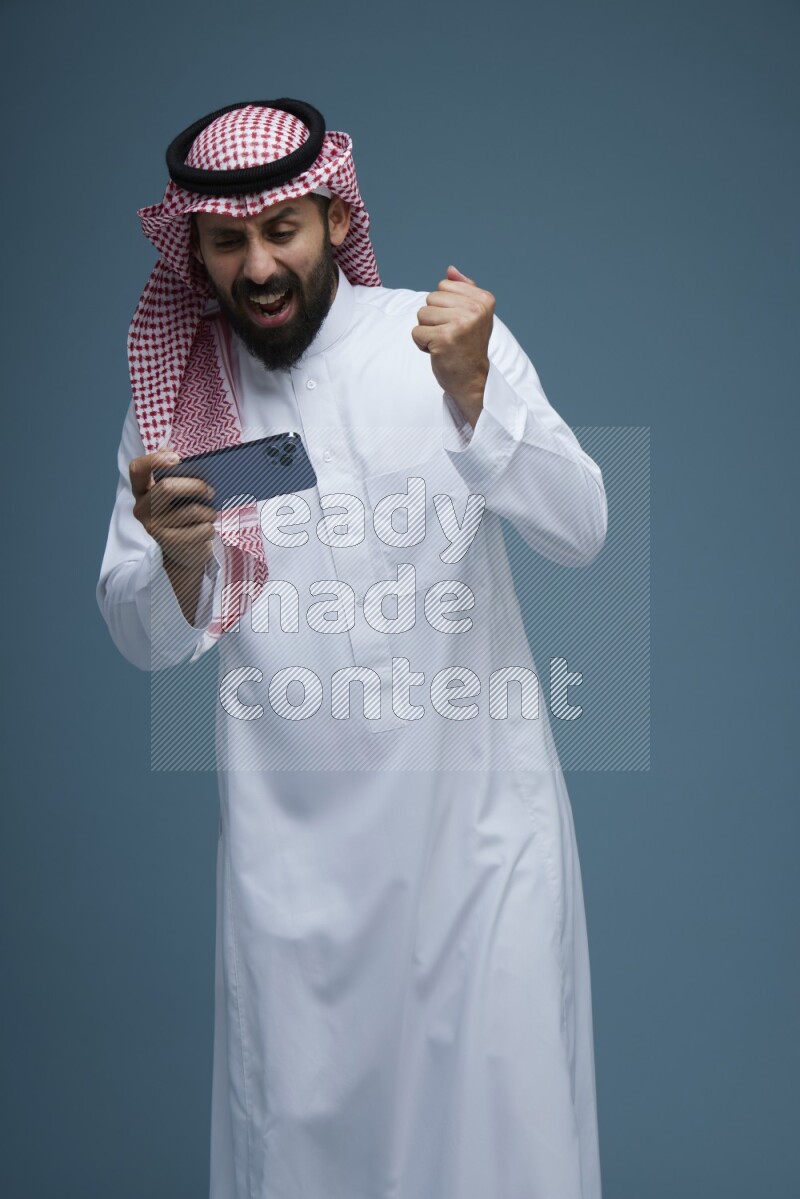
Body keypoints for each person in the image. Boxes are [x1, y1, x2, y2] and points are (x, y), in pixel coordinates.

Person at [97, 98, 608, 1199]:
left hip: (479, 853)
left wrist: (476, 397)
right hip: (299, 891)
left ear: (332, 215)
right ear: (195, 248)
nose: (258, 266)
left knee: (502, 1156)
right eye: (227, 243)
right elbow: (140, 634)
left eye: (281, 230)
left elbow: (581, 526)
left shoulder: (440, 339)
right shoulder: (181, 405)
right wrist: (180, 560)